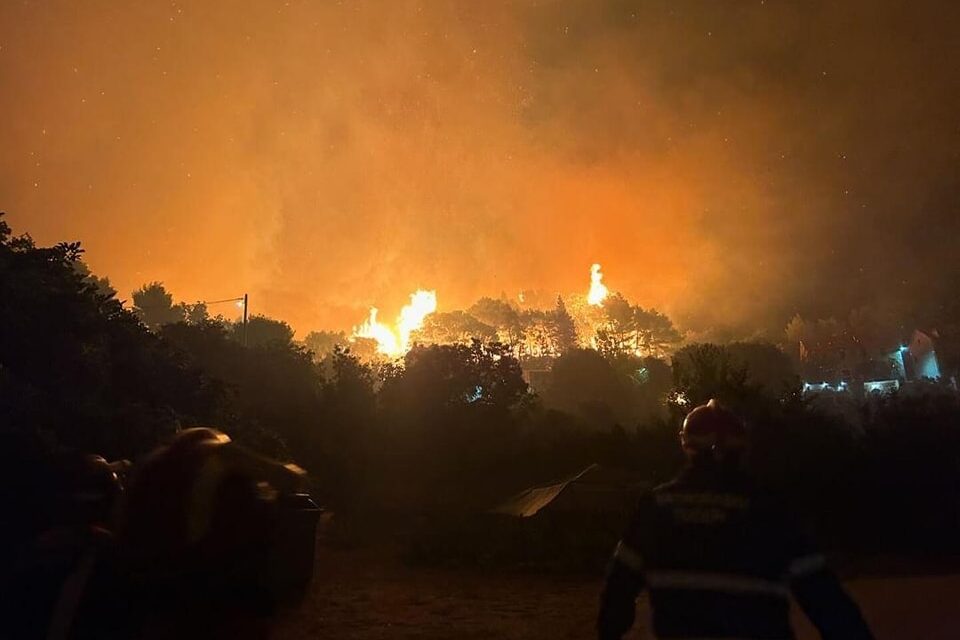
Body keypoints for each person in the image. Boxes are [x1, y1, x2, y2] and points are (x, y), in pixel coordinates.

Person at [598, 399, 874, 640]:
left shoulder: (657, 508)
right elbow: (824, 598)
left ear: (685, 445)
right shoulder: (768, 509)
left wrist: (611, 630)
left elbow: (618, 589)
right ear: (742, 448)